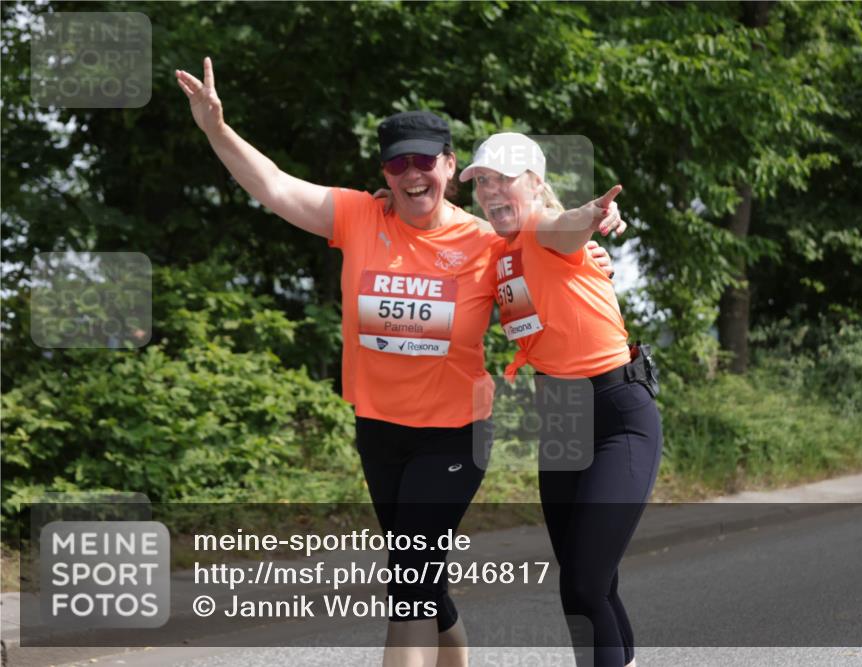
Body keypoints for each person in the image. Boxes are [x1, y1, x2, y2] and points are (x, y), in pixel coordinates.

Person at [174, 59, 619, 667]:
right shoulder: (359, 216)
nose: (411, 174)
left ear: (449, 167)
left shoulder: (487, 243)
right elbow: (274, 186)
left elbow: (551, 244)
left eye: (424, 161)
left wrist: (591, 237)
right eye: (397, 164)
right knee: (424, 583)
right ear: (384, 173)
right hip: (379, 431)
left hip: (454, 436)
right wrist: (216, 128)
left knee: (408, 586)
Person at [460, 133, 663, 667]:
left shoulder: (543, 229)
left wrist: (591, 216)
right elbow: (441, 225)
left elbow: (564, 225)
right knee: (586, 586)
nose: (490, 190)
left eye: (503, 179)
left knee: (586, 582)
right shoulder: (498, 247)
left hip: (618, 414)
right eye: (482, 181)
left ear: (535, 183)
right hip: (563, 423)